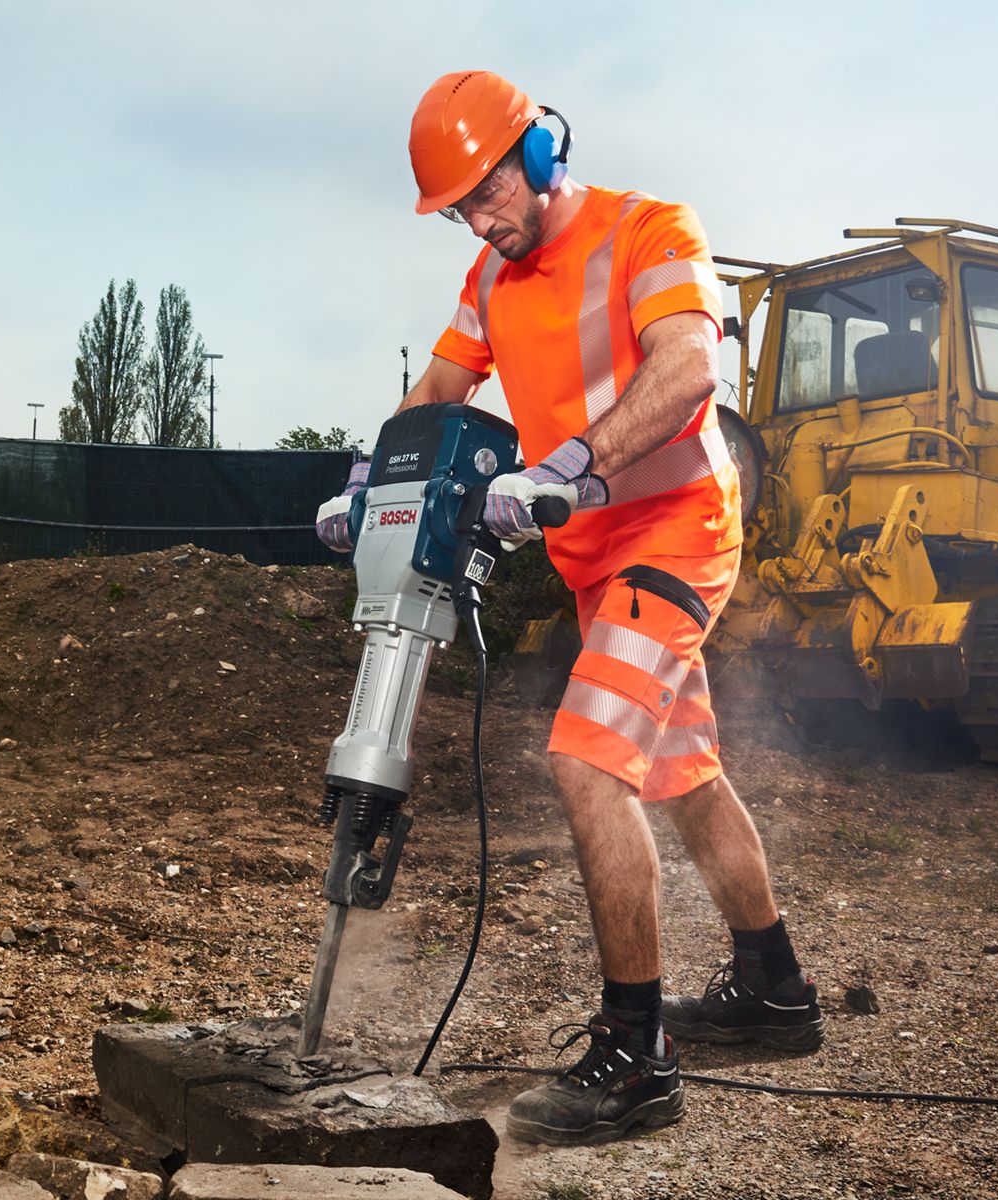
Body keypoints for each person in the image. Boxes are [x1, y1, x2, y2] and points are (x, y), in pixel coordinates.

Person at [316, 70, 821, 1147]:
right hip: (593, 560)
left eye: (489, 191)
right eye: (458, 208)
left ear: (540, 154)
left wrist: (574, 463)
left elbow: (687, 371)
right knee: (682, 774)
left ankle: (637, 1056)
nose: (479, 220)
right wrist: (370, 476)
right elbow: (438, 392)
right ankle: (774, 988)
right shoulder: (488, 278)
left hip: (677, 529)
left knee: (586, 761)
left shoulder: (651, 231)